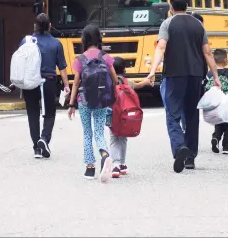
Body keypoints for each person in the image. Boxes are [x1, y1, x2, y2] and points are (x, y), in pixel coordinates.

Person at [148, 0, 221, 173]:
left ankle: (180, 147)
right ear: (187, 7)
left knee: (173, 115)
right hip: (196, 75)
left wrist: (152, 71)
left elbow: (161, 46)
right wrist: (216, 76)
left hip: (174, 75)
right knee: (191, 115)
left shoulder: (167, 23)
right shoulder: (198, 25)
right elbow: (207, 53)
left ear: (171, 8)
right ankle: (190, 158)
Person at [67, 24, 118, 181]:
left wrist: (71, 104)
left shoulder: (80, 59)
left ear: (84, 39)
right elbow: (115, 80)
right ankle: (105, 155)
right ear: (99, 39)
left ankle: (90, 168)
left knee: (87, 133)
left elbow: (75, 83)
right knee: (99, 131)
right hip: (102, 101)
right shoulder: (106, 57)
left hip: (84, 101)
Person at [19, 13, 70, 159]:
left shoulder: (26, 41)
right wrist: (66, 85)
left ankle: (36, 148)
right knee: (49, 113)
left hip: (30, 82)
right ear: (49, 26)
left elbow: (20, 62)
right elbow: (62, 67)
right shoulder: (56, 43)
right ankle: (44, 139)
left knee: (33, 114)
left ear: (35, 25)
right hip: (48, 82)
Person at [110, 57, 151, 178]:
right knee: (123, 138)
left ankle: (115, 165)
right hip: (125, 115)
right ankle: (122, 164)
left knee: (114, 139)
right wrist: (147, 80)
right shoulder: (127, 82)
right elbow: (138, 85)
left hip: (113, 115)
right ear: (124, 70)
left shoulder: (110, 82)